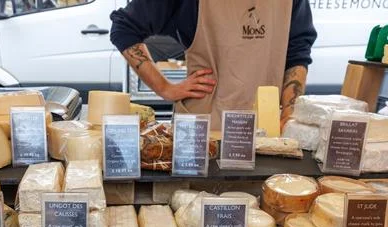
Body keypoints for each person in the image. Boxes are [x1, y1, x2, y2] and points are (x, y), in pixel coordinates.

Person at [110, 0, 317, 130]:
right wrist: (165, 88)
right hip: (204, 128)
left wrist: (288, 113)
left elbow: (297, 50)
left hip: (267, 129)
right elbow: (125, 28)